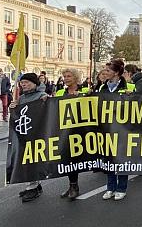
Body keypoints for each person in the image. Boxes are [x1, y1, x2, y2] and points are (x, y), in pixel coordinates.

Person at [97, 59, 136, 201]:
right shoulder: (103, 88)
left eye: (108, 70)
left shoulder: (129, 86)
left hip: (122, 128)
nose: (105, 73)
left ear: (116, 72)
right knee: (108, 158)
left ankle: (121, 187)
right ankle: (110, 187)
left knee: (121, 157)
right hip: (107, 128)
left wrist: (131, 97)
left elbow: (139, 105)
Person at [11, 73, 49, 202]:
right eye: (22, 83)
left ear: (34, 83)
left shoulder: (41, 96)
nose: (23, 85)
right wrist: (14, 107)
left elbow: (49, 109)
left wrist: (46, 101)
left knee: (32, 161)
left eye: (26, 82)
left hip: (37, 134)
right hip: (25, 134)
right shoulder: (21, 98)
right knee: (26, 161)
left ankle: (32, 187)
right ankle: (35, 185)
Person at [55, 68, 89, 200]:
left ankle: (74, 186)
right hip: (65, 130)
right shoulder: (60, 92)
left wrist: (82, 96)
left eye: (69, 76)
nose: (66, 78)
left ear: (75, 78)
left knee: (76, 158)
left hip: (81, 130)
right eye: (64, 76)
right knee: (68, 158)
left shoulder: (85, 90)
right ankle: (72, 185)